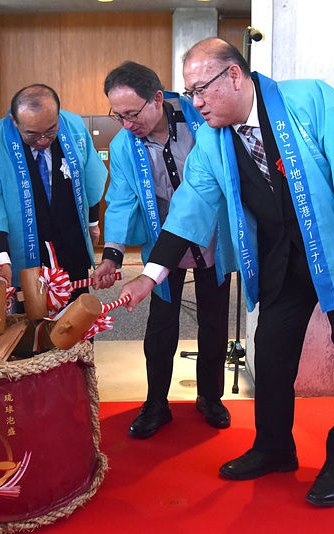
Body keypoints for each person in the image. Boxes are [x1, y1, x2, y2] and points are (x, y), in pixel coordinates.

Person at [119, 38, 334, 507]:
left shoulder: (312, 99)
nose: (195, 102)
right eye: (190, 92)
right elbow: (188, 209)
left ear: (233, 75)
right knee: (271, 354)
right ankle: (273, 447)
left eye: (200, 89)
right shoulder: (212, 140)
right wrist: (150, 275)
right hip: (282, 263)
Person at [92, 61, 231, 438]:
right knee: (160, 325)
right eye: (118, 115)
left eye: (132, 114)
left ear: (157, 98)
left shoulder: (200, 123)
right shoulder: (123, 145)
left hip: (212, 236)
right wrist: (112, 255)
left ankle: (210, 397)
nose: (125, 124)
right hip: (163, 242)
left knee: (215, 321)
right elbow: (121, 201)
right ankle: (156, 404)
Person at [0, 84, 106, 296]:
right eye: (32, 134)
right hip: (23, 249)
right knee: (28, 312)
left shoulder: (74, 126)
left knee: (76, 308)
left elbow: (90, 177)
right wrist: (2, 262)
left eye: (50, 130)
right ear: (14, 121)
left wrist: (93, 223)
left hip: (70, 241)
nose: (42, 140)